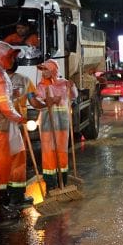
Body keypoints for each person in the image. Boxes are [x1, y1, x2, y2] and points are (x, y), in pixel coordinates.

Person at [0, 41, 34, 211]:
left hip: (2, 125)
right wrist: (18, 118)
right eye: (10, 56)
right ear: (1, 56)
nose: (13, 60)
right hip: (0, 127)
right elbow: (4, 104)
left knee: (14, 159)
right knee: (3, 164)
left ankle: (12, 197)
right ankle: (3, 202)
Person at [34, 59, 77, 192]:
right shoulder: (41, 86)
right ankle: (50, 184)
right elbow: (37, 102)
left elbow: (74, 96)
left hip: (63, 125)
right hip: (47, 125)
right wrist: (50, 101)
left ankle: (62, 181)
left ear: (53, 70)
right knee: (48, 154)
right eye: (42, 69)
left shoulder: (64, 83)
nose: (43, 72)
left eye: (46, 69)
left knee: (62, 153)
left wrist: (72, 86)